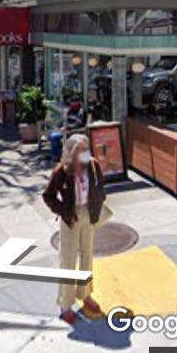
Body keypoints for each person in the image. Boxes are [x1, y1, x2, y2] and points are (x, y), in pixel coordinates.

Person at [41, 134, 106, 325]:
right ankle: (66, 305)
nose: (84, 152)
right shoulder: (62, 170)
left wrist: (100, 201)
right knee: (68, 259)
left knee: (87, 257)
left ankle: (85, 295)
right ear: (71, 151)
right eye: (80, 149)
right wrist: (63, 211)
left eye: (86, 148)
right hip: (71, 217)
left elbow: (101, 186)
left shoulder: (93, 165)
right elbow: (48, 195)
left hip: (89, 214)